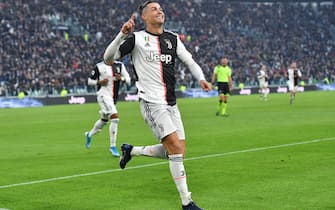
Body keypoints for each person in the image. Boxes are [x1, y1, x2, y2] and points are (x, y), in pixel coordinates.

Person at [103, 1, 211, 209]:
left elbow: (189, 61)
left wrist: (201, 79)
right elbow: (108, 59)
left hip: (171, 104)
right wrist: (121, 34)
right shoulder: (136, 39)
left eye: (160, 8)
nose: (159, 10)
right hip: (151, 102)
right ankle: (186, 202)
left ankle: (131, 151)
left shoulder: (172, 39)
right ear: (144, 17)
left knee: (176, 150)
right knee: (176, 149)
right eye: (154, 9)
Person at [85, 60, 131, 157]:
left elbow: (128, 79)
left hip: (113, 97)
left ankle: (89, 134)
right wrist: (99, 82)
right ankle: (112, 146)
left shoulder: (120, 65)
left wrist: (122, 78)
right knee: (115, 118)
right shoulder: (99, 66)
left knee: (104, 120)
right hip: (103, 95)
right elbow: (89, 81)